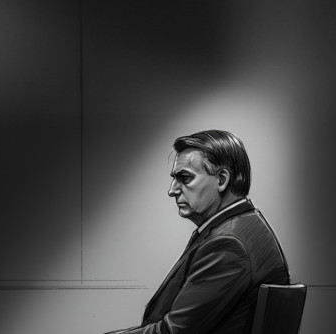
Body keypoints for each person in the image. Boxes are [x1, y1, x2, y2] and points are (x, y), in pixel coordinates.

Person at [105, 130, 291, 334]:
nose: (172, 190)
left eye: (185, 178)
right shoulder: (240, 228)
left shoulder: (228, 244)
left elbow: (173, 332)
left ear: (222, 179)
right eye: (174, 179)